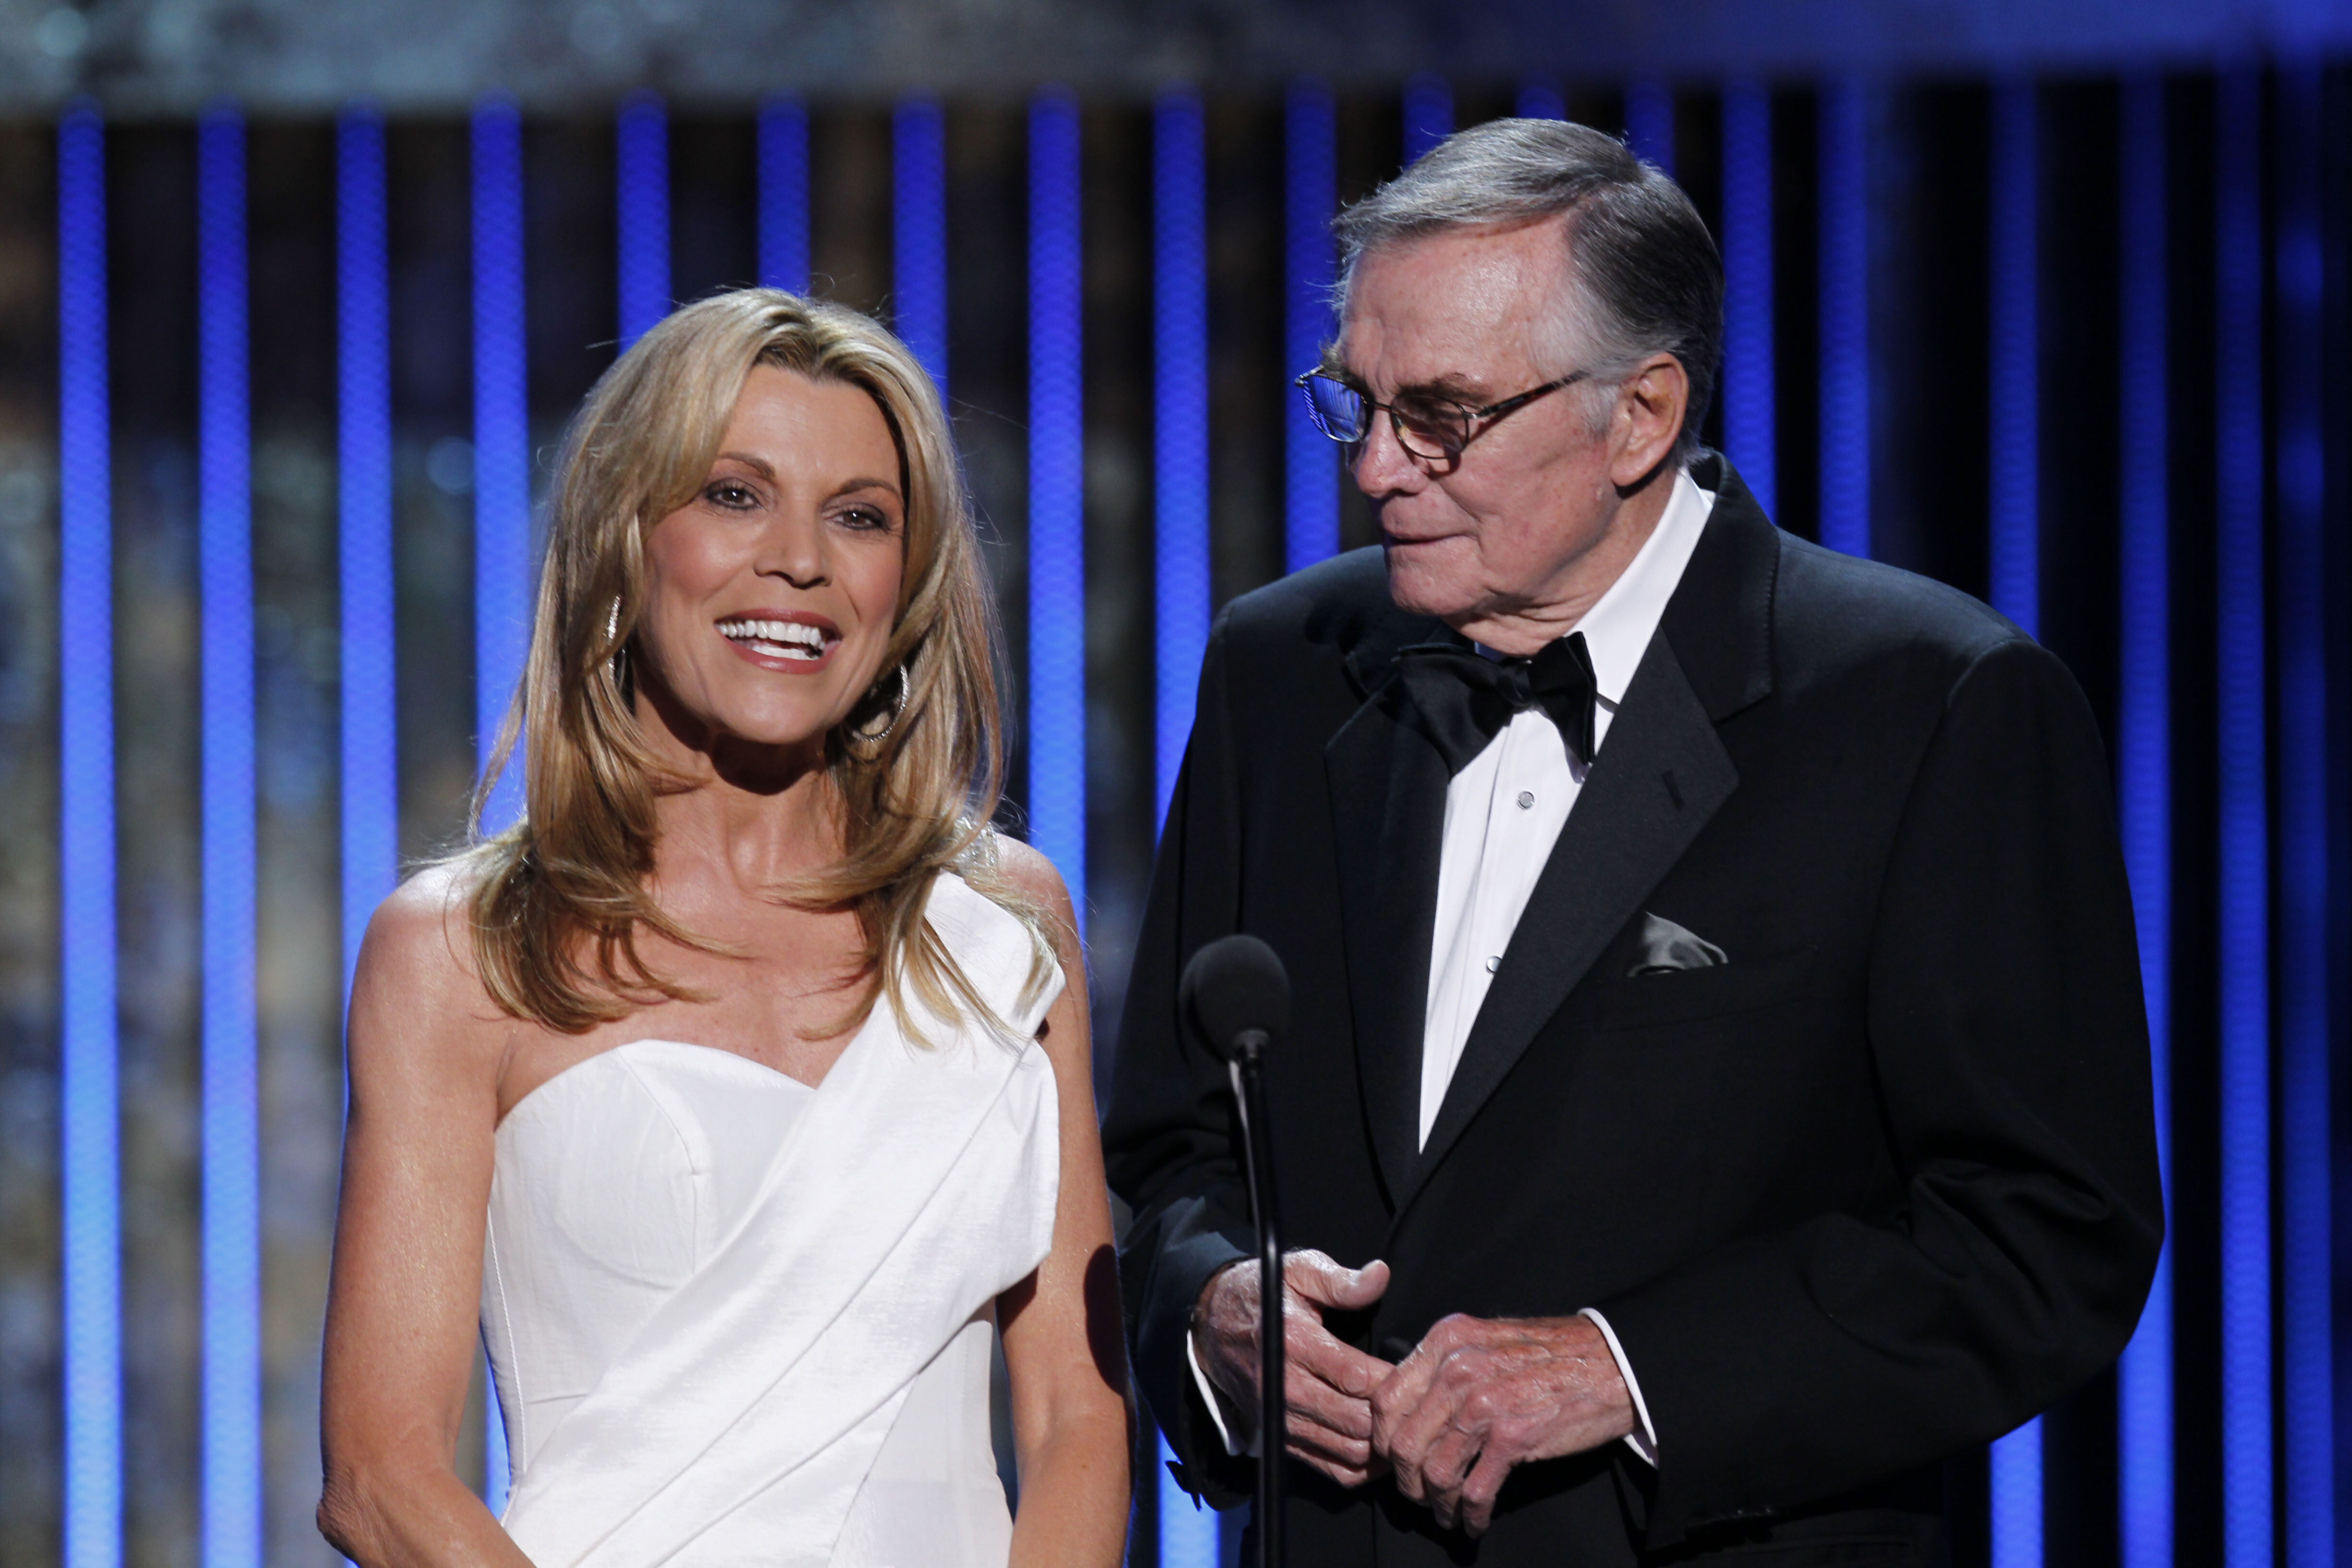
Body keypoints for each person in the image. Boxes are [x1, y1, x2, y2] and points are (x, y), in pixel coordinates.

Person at [1105, 118, 2161, 1565]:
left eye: (1444, 416)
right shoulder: (1279, 667)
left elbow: (2042, 1237)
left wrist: (1631, 1369)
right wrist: (1213, 1309)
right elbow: (1169, 1153)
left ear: (1642, 415)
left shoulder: (1931, 703)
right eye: (1358, 404)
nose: (1379, 471)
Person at [318, 290, 1129, 1568]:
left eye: (859, 516)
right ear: (625, 536)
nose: (799, 560)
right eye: (735, 496)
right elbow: (381, 1478)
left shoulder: (1003, 924)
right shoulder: (460, 951)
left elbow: (1077, 1416)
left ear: (907, 580)